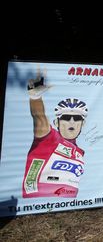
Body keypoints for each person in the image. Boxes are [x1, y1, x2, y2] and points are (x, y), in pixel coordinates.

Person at [23, 68, 87, 198]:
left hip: (68, 205)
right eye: (66, 118)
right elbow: (38, 116)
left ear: (82, 124)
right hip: (37, 202)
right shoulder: (49, 136)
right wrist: (35, 96)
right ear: (56, 122)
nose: (72, 122)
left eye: (77, 119)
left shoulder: (80, 153)